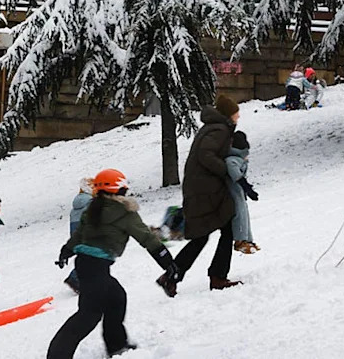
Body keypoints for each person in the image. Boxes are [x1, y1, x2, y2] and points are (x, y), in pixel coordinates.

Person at [48, 169, 179, 359]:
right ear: (119, 190)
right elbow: (147, 238)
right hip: (96, 267)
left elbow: (79, 234)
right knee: (89, 315)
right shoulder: (125, 212)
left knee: (116, 297)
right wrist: (168, 263)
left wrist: (66, 250)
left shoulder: (93, 209)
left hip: (86, 264)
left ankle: (116, 345)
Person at [157, 95, 240, 297]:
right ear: (228, 114)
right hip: (206, 191)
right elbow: (206, 155)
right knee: (226, 229)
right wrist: (227, 170)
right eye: (236, 113)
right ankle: (217, 277)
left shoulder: (213, 127)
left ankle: (172, 275)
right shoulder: (219, 129)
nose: (238, 117)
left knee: (202, 236)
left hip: (201, 189)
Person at [225, 131, 260, 254]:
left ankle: (248, 239)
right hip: (232, 192)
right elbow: (235, 173)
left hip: (238, 192)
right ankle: (240, 240)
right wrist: (246, 187)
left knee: (244, 213)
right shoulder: (232, 160)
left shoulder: (237, 159)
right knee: (239, 213)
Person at [64, 177, 94, 293]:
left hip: (75, 230)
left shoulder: (77, 203)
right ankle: (74, 279)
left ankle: (79, 279)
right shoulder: (90, 202)